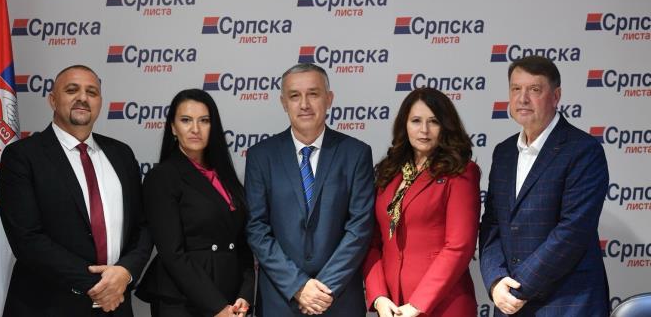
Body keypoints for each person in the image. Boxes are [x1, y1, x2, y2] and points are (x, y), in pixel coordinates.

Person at [0, 64, 152, 317]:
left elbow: (143, 226)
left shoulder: (122, 154)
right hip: (48, 306)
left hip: (116, 305)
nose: (83, 97)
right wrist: (100, 286)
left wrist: (126, 272)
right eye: (72, 90)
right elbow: (27, 239)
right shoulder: (22, 156)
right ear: (52, 100)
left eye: (92, 92)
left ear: (100, 102)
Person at [479, 56, 609, 316]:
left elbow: (572, 232)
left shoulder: (583, 150)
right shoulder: (504, 152)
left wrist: (517, 289)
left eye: (534, 89)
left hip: (568, 303)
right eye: (516, 89)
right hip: (509, 303)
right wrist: (496, 282)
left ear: (556, 96)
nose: (522, 99)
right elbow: (492, 223)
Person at [244, 63, 375, 316]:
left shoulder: (356, 153)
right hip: (281, 302)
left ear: (329, 99)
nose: (304, 104)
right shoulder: (261, 156)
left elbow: (360, 228)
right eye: (295, 96)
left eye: (313, 94)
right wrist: (298, 286)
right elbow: (257, 228)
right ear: (284, 102)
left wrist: (323, 289)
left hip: (338, 301)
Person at [135, 89, 254, 317]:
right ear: (173, 127)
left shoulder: (226, 176)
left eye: (204, 121)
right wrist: (217, 307)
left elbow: (242, 243)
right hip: (184, 301)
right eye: (186, 120)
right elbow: (173, 254)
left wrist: (245, 295)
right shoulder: (162, 177)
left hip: (231, 299)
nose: (195, 129)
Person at [363, 87, 480, 317]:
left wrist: (417, 304)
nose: (424, 130)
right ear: (404, 125)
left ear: (445, 126)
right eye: (416, 121)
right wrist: (378, 297)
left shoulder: (461, 172)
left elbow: (459, 246)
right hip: (393, 307)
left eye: (433, 121)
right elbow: (372, 243)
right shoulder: (388, 172)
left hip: (444, 306)